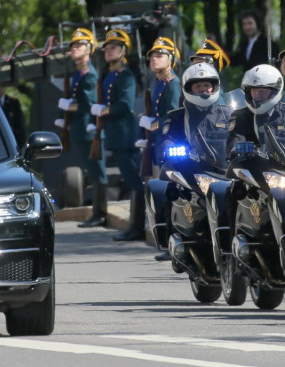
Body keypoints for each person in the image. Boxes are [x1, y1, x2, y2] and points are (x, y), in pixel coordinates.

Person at [93, 29, 144, 241]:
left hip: (125, 135)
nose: (108, 50)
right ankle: (135, 225)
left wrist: (103, 110)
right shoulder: (111, 75)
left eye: (113, 47)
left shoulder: (126, 75)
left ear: (123, 51)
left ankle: (138, 227)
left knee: (135, 183)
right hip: (117, 135)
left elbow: (124, 104)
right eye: (106, 47)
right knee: (131, 181)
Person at [139, 36, 183, 258]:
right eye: (152, 56)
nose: (154, 59)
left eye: (159, 55)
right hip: (157, 143)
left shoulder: (173, 84)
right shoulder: (160, 83)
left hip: (169, 145)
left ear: (171, 59)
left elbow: (171, 115)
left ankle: (173, 241)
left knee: (168, 193)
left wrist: (153, 124)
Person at [60, 27, 108, 229]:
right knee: (93, 171)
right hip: (81, 130)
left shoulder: (89, 74)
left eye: (78, 45)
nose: (74, 49)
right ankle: (97, 212)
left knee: (98, 173)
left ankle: (100, 213)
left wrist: (67, 106)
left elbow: (88, 104)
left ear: (89, 49)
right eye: (73, 46)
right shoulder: (79, 73)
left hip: (90, 130)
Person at [157, 62, 232, 171]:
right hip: (190, 169)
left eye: (206, 85)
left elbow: (238, 135)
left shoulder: (228, 113)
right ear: (189, 89)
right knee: (168, 183)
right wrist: (168, 147)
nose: (203, 89)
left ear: (214, 87)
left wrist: (237, 147)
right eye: (198, 86)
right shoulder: (176, 116)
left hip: (224, 170)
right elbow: (168, 138)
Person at [0, 83, 26, 149]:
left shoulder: (13, 102)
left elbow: (20, 126)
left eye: (1, 85)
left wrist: (20, 146)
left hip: (12, 144)